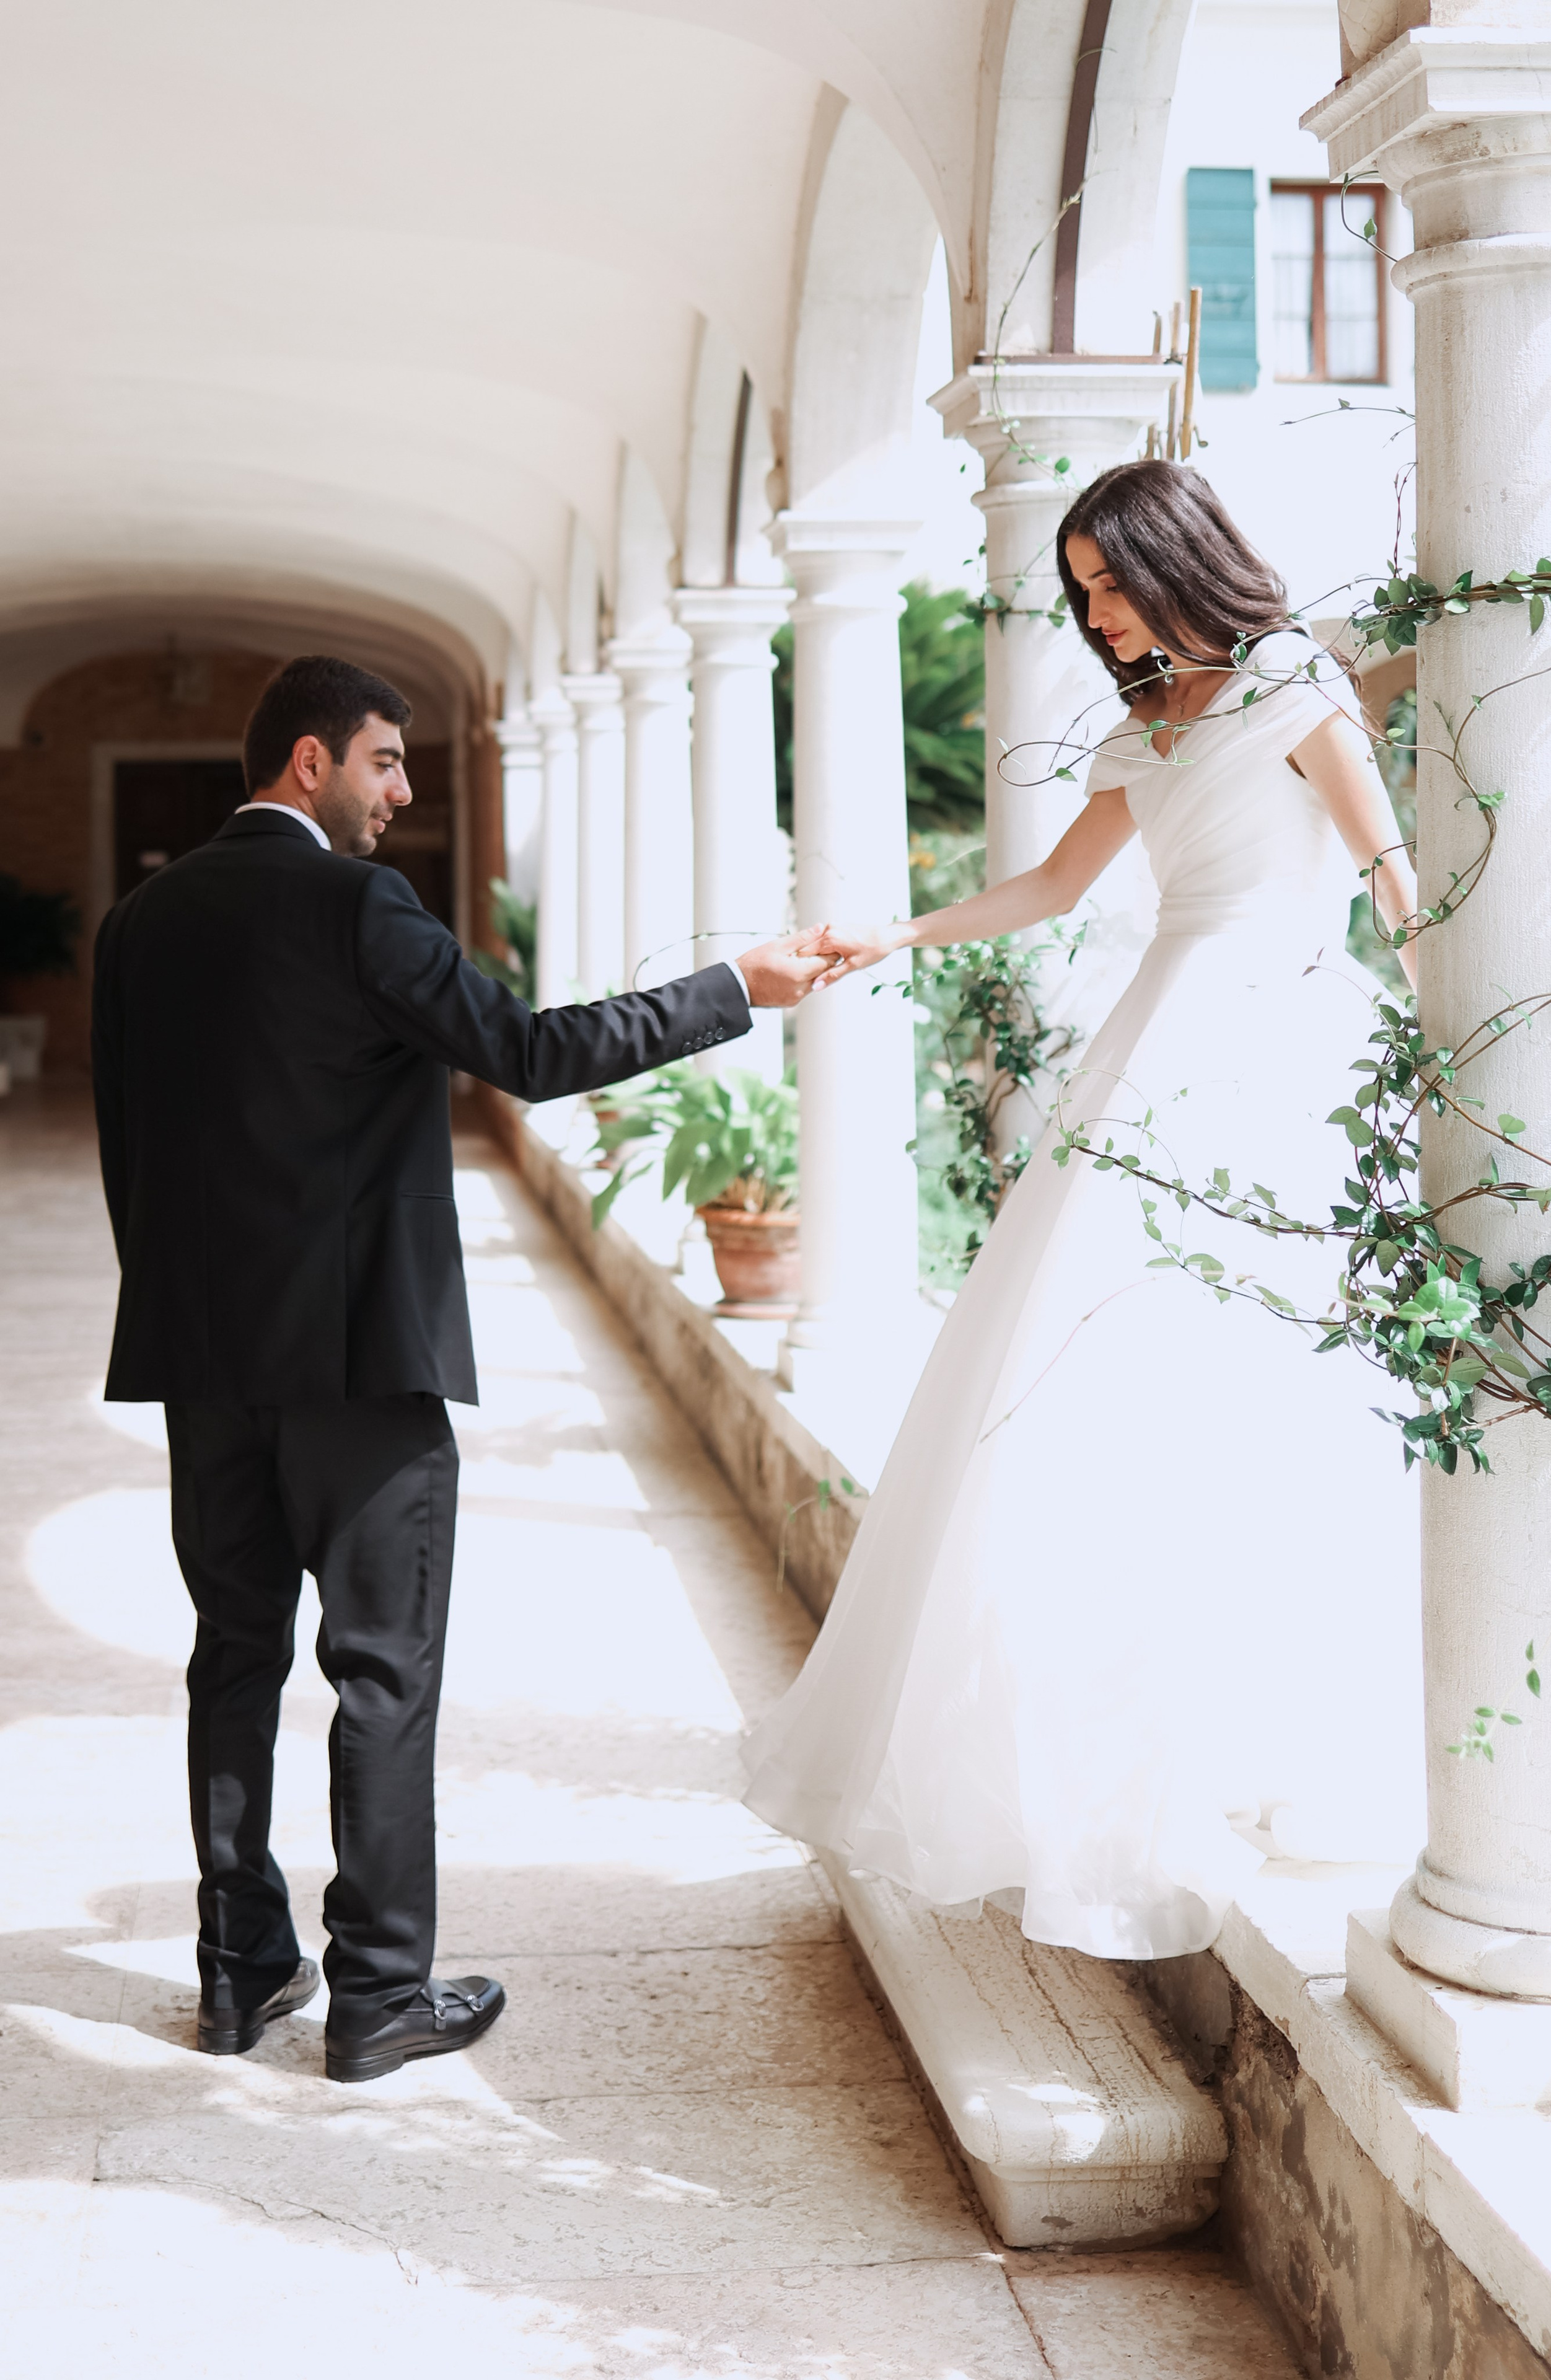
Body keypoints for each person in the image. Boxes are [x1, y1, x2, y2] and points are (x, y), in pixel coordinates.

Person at [92, 653, 827, 2082]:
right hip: (361, 1365)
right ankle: (375, 1995)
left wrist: (189, 1320)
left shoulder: (140, 920)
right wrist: (733, 987)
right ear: (308, 761)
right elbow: (532, 1055)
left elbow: (129, 1146)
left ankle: (240, 1972)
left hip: (203, 1360)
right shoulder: (360, 904)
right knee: (382, 1673)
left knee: (232, 1660)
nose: (403, 792)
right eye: (384, 762)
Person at [745, 461, 1426, 1960]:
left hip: (1278, 1047)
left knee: (1280, 1377)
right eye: (1082, 589)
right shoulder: (1143, 730)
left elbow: (1386, 871)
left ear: (1181, 558)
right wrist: (893, 932)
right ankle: (1112, 1747)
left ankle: (1273, 1734)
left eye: (1112, 579)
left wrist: (1453, 1032)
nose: (1099, 612)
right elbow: (1047, 890)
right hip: (1152, 1041)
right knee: (1089, 1378)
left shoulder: (1289, 683)